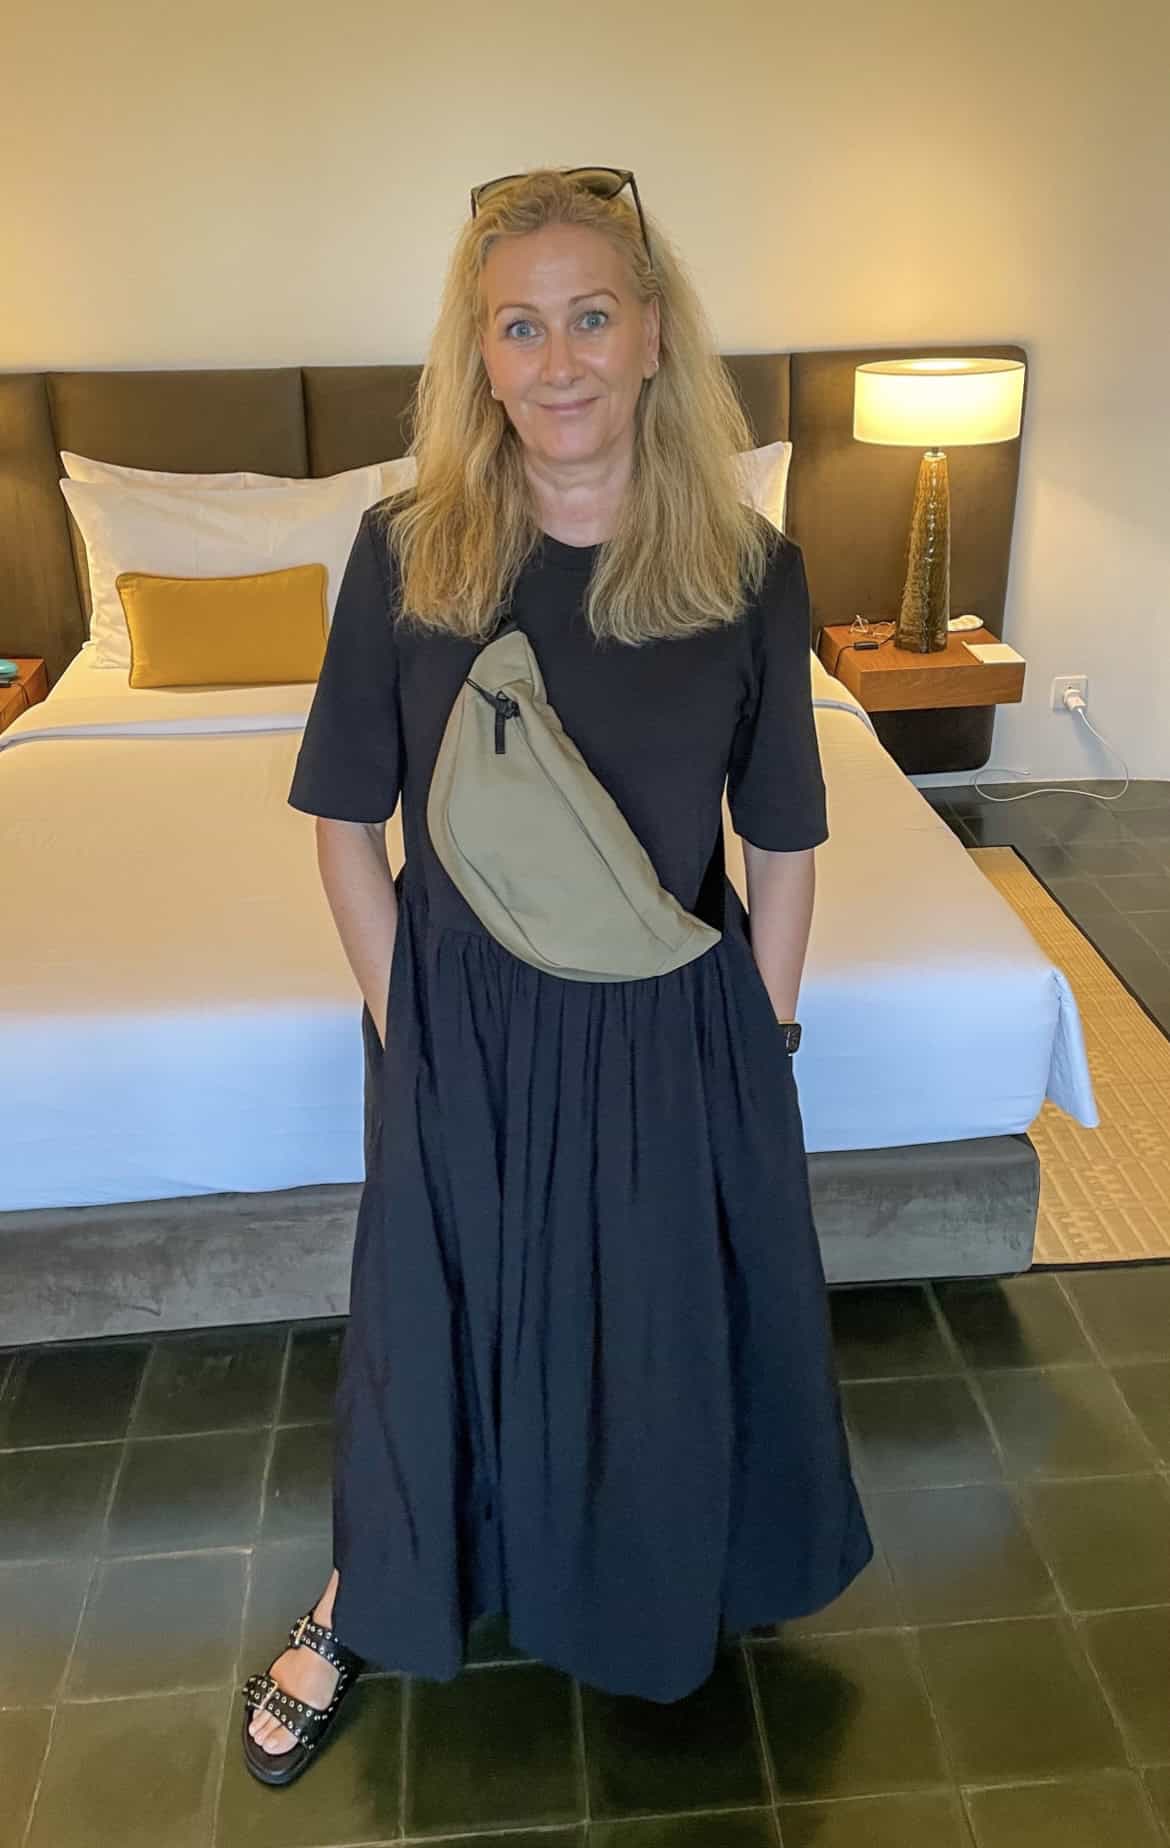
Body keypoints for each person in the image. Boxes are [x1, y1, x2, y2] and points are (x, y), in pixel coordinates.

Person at [241, 165, 873, 1783]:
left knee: (655, 1324)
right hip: (464, 1019)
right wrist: (413, 1029)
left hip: (673, 1017)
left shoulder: (745, 566)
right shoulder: (408, 552)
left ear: (654, 332)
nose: (559, 359)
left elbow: (781, 837)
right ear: (479, 353)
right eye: (518, 327)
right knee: (426, 1319)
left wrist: (762, 1043)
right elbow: (342, 826)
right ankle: (363, 1591)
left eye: (591, 316)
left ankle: (645, 1579)